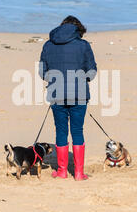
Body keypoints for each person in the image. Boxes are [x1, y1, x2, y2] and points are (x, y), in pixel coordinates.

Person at [39, 16, 97, 181]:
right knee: (77, 131)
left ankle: (62, 171)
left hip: (56, 94)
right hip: (79, 95)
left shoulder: (48, 44)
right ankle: (79, 173)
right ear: (78, 29)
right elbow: (92, 71)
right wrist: (81, 79)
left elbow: (42, 72)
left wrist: (55, 79)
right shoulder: (83, 45)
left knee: (61, 131)